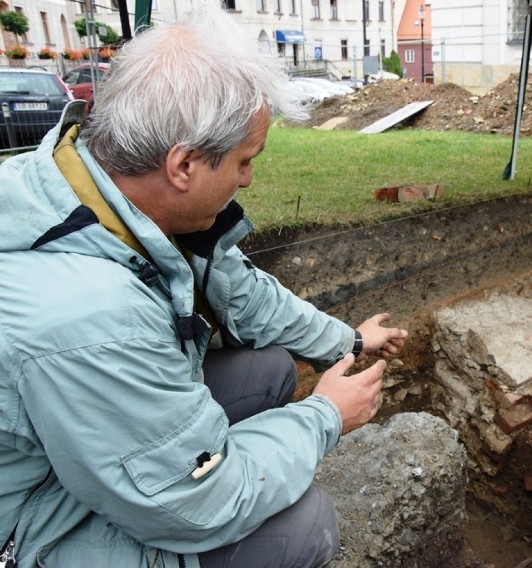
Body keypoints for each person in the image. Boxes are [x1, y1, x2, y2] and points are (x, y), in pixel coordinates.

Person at [0, 3, 408, 568]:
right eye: (245, 159)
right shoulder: (91, 317)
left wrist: (348, 343)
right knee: (304, 526)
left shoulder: (100, 194)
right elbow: (199, 503)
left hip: (63, 449)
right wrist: (325, 416)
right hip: (28, 525)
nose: (248, 178)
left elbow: (247, 294)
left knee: (268, 369)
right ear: (184, 164)